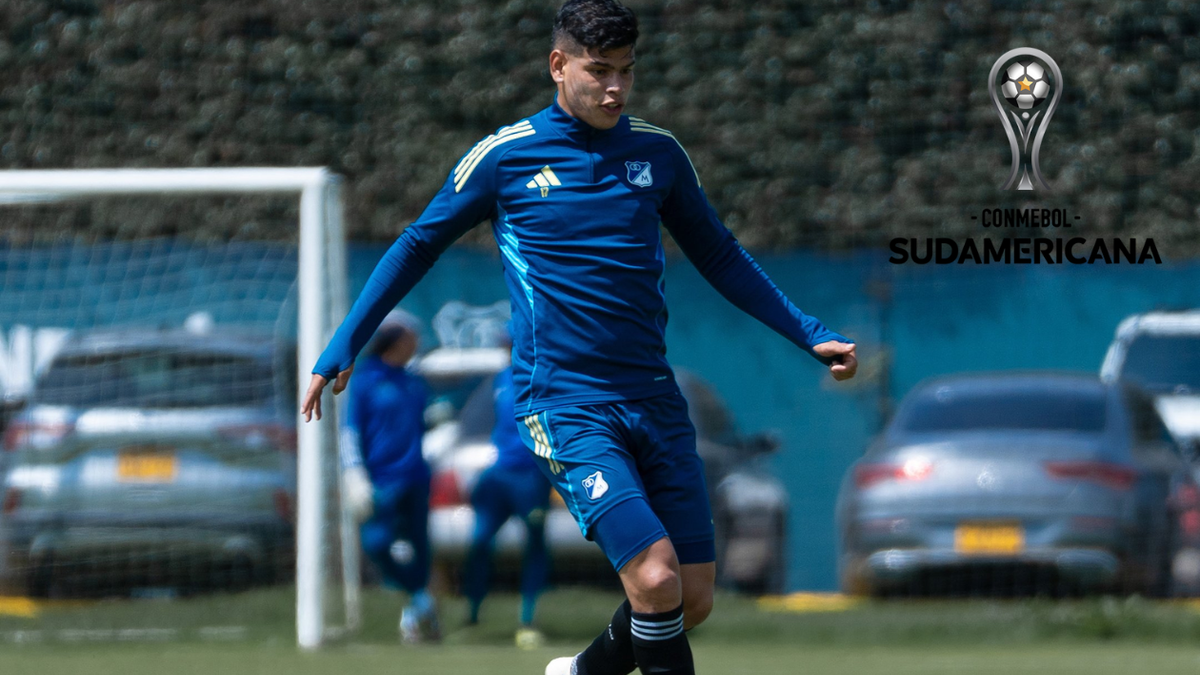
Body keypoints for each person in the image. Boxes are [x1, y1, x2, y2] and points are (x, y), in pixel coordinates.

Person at [302, 0, 857, 672]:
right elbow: (418, 243)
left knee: (694, 595)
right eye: (599, 71)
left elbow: (721, 255)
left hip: (654, 398)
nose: (615, 88)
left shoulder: (658, 153)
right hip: (564, 403)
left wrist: (809, 332)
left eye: (626, 70)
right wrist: (344, 343)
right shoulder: (504, 158)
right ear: (558, 66)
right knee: (655, 579)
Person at [339, 315, 440, 643]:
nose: (418, 343)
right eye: (413, 337)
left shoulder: (412, 380)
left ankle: (416, 619)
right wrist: (355, 474)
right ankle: (419, 599)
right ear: (397, 340)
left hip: (415, 477)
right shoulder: (368, 378)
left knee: (419, 549)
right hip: (381, 479)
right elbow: (351, 429)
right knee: (377, 543)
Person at [462, 362, 553, 649]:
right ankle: (473, 616)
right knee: (479, 543)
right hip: (500, 474)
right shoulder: (501, 377)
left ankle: (528, 619)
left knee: (535, 546)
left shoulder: (547, 375)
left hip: (532, 477)